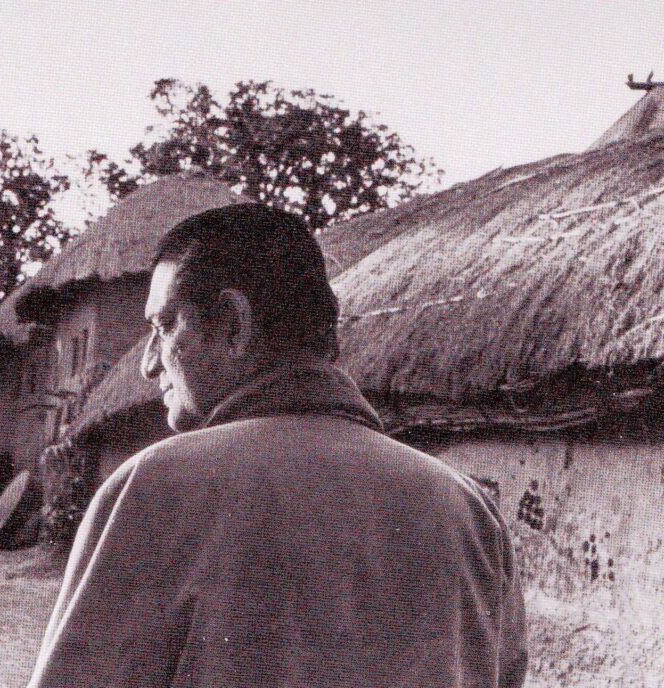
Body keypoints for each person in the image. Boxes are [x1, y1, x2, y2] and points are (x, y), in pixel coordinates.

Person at [28, 203, 527, 687]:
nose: (148, 363)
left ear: (231, 323)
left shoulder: (156, 489)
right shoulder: (470, 511)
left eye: (162, 326)